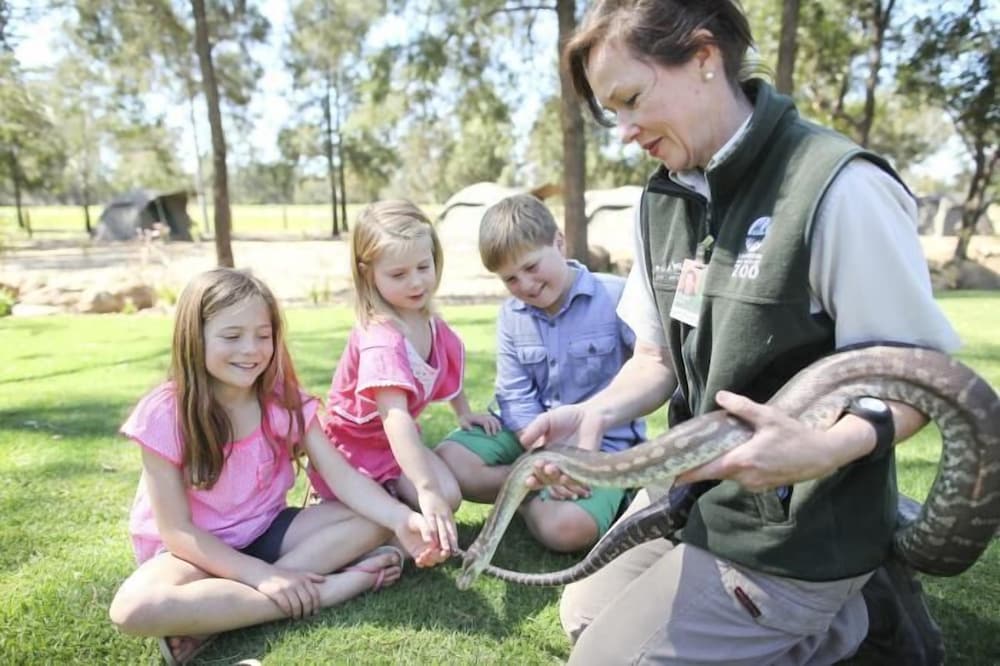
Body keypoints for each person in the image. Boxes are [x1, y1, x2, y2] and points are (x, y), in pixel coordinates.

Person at [517, 1, 962, 664]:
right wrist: (595, 409)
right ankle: (849, 622)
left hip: (801, 529)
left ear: (703, 57)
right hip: (702, 503)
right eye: (613, 112)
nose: (626, 130)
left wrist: (826, 449)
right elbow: (655, 355)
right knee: (583, 615)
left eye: (632, 99)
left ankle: (851, 602)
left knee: (604, 661)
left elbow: (921, 380)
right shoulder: (661, 200)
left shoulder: (838, 187)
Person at [108, 268, 444, 666]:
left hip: (268, 532)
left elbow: (343, 477)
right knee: (133, 608)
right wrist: (261, 576)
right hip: (192, 553)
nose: (250, 349)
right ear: (193, 338)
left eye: (263, 336)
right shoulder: (165, 414)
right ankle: (327, 591)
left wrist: (403, 518)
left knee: (374, 521)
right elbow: (177, 531)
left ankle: (216, 617)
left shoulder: (282, 402)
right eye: (231, 336)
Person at [436, 194, 645, 553]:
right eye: (511, 279)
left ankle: (538, 493)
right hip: (527, 435)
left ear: (559, 242)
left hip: (600, 444)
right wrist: (543, 455)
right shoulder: (511, 316)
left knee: (567, 530)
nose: (526, 286)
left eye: (532, 267)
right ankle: (535, 486)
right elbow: (515, 396)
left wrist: (572, 455)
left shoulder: (616, 296)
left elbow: (651, 368)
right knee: (447, 462)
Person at [309, 200, 499, 560]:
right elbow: (394, 416)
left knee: (451, 498)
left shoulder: (426, 320)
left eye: (423, 267)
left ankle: (391, 511)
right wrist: (425, 488)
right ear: (369, 275)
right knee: (432, 502)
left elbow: (445, 360)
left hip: (393, 447)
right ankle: (372, 528)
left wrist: (463, 411)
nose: (416, 282)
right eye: (398, 275)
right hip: (354, 451)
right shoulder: (381, 338)